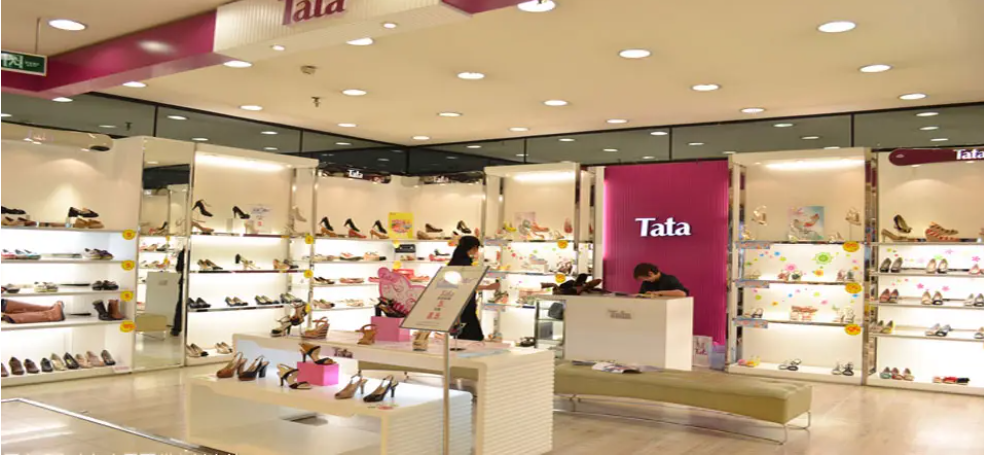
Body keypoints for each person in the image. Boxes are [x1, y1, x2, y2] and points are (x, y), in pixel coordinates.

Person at [447, 235, 498, 341]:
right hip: (465, 302)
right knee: (472, 334)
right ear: (474, 247)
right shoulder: (465, 263)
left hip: (455, 300)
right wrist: (487, 287)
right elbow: (467, 285)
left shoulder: (454, 261)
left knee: (463, 333)